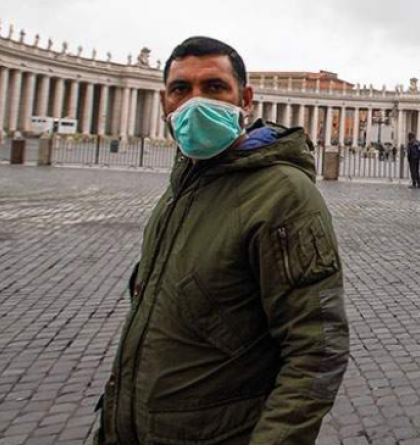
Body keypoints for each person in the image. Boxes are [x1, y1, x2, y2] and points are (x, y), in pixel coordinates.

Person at [93, 36, 349, 445]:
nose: (195, 102)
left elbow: (317, 349)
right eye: (181, 89)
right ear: (165, 104)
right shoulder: (183, 183)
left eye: (214, 87)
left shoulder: (283, 195)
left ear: (245, 100)